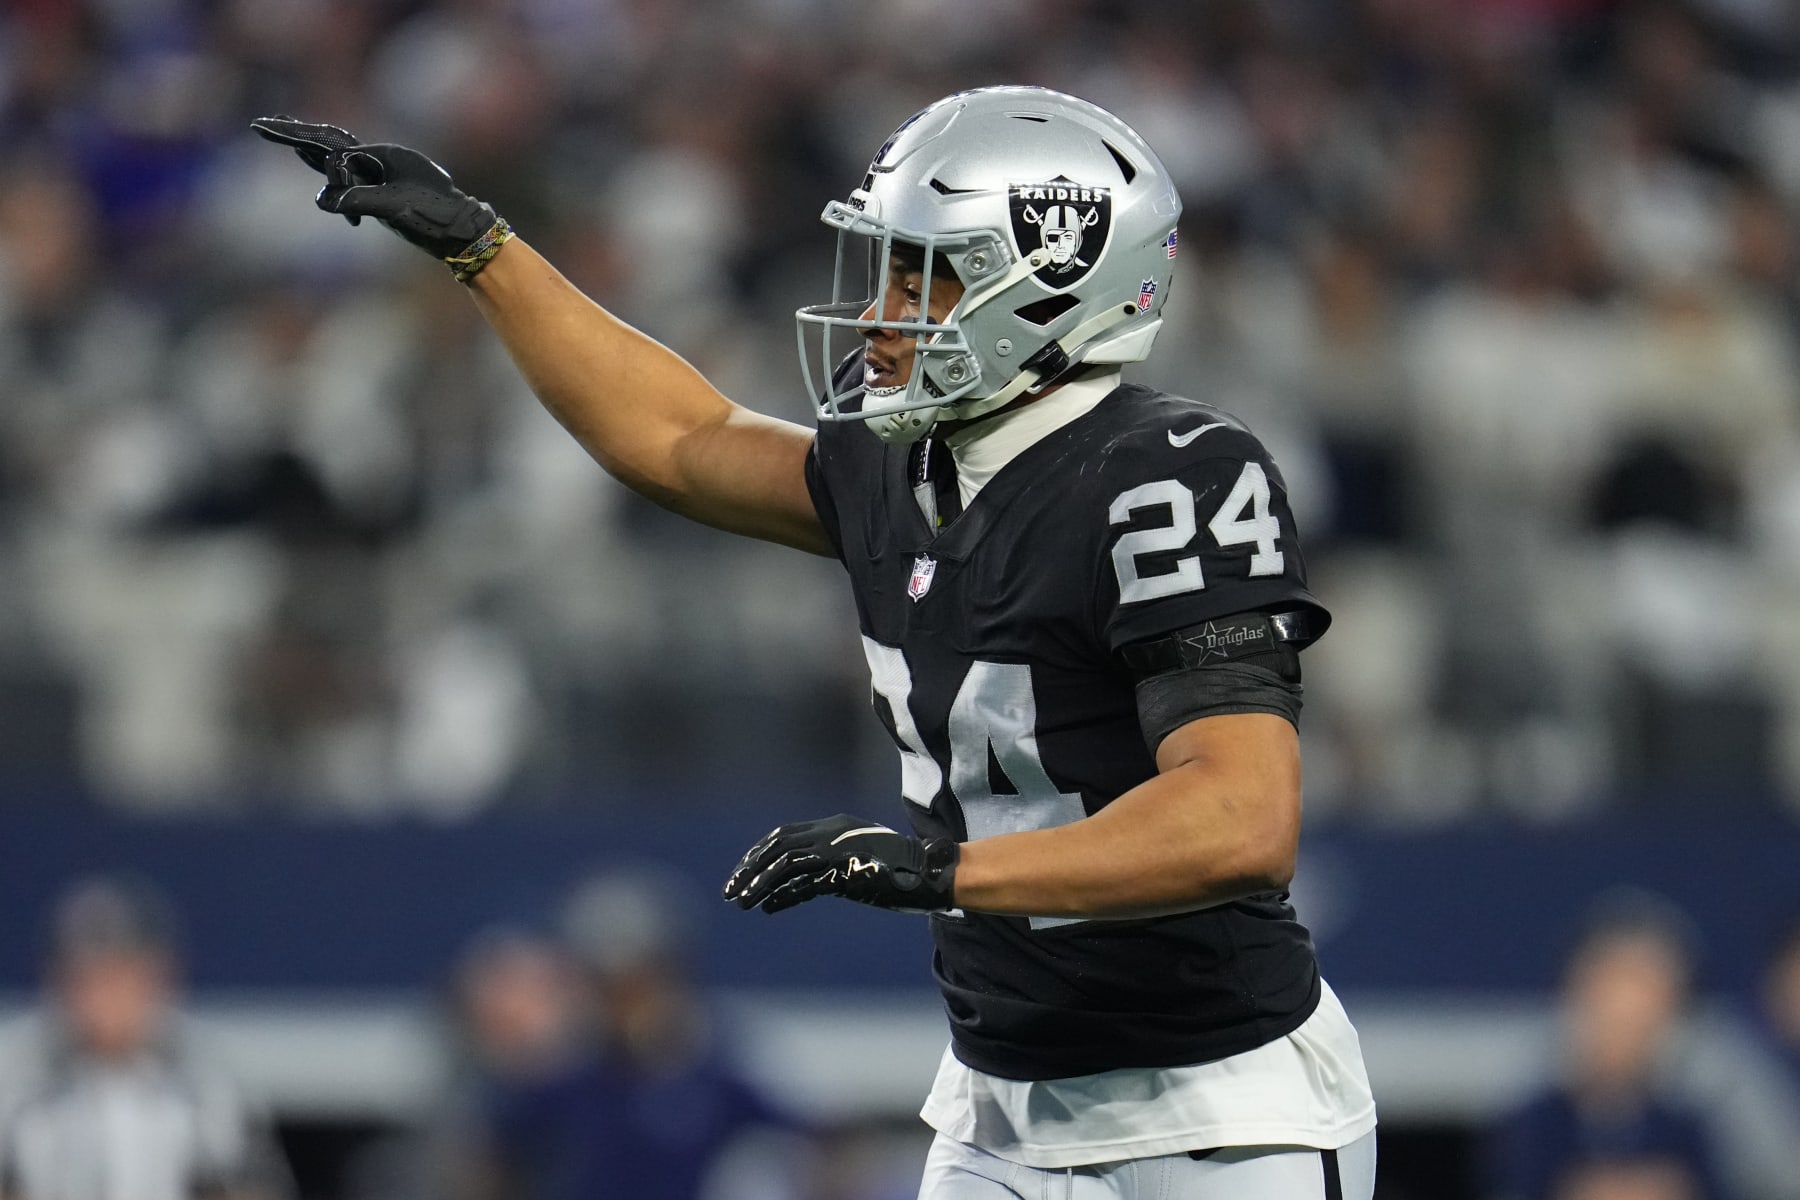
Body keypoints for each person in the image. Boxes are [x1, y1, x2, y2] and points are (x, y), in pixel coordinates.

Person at [252, 83, 1378, 1198]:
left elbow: (1241, 818)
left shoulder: (1169, 472)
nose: (882, 308)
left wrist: (945, 871)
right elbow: (679, 437)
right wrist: (479, 247)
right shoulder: (907, 460)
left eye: (920, 272)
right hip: (1002, 1105)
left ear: (1044, 278)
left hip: (1218, 1114)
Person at [0, 875, 293, 1200]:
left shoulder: (206, 1073)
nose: (106, 998)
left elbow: (252, 1187)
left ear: (159, 978)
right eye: (90, 979)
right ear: (57, 981)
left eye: (122, 977)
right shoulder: (14, 1070)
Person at [1484, 890, 1728, 1200]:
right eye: (1612, 1007)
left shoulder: (1692, 1127)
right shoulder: (1537, 1124)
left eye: (1643, 1015)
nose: (1624, 1027)